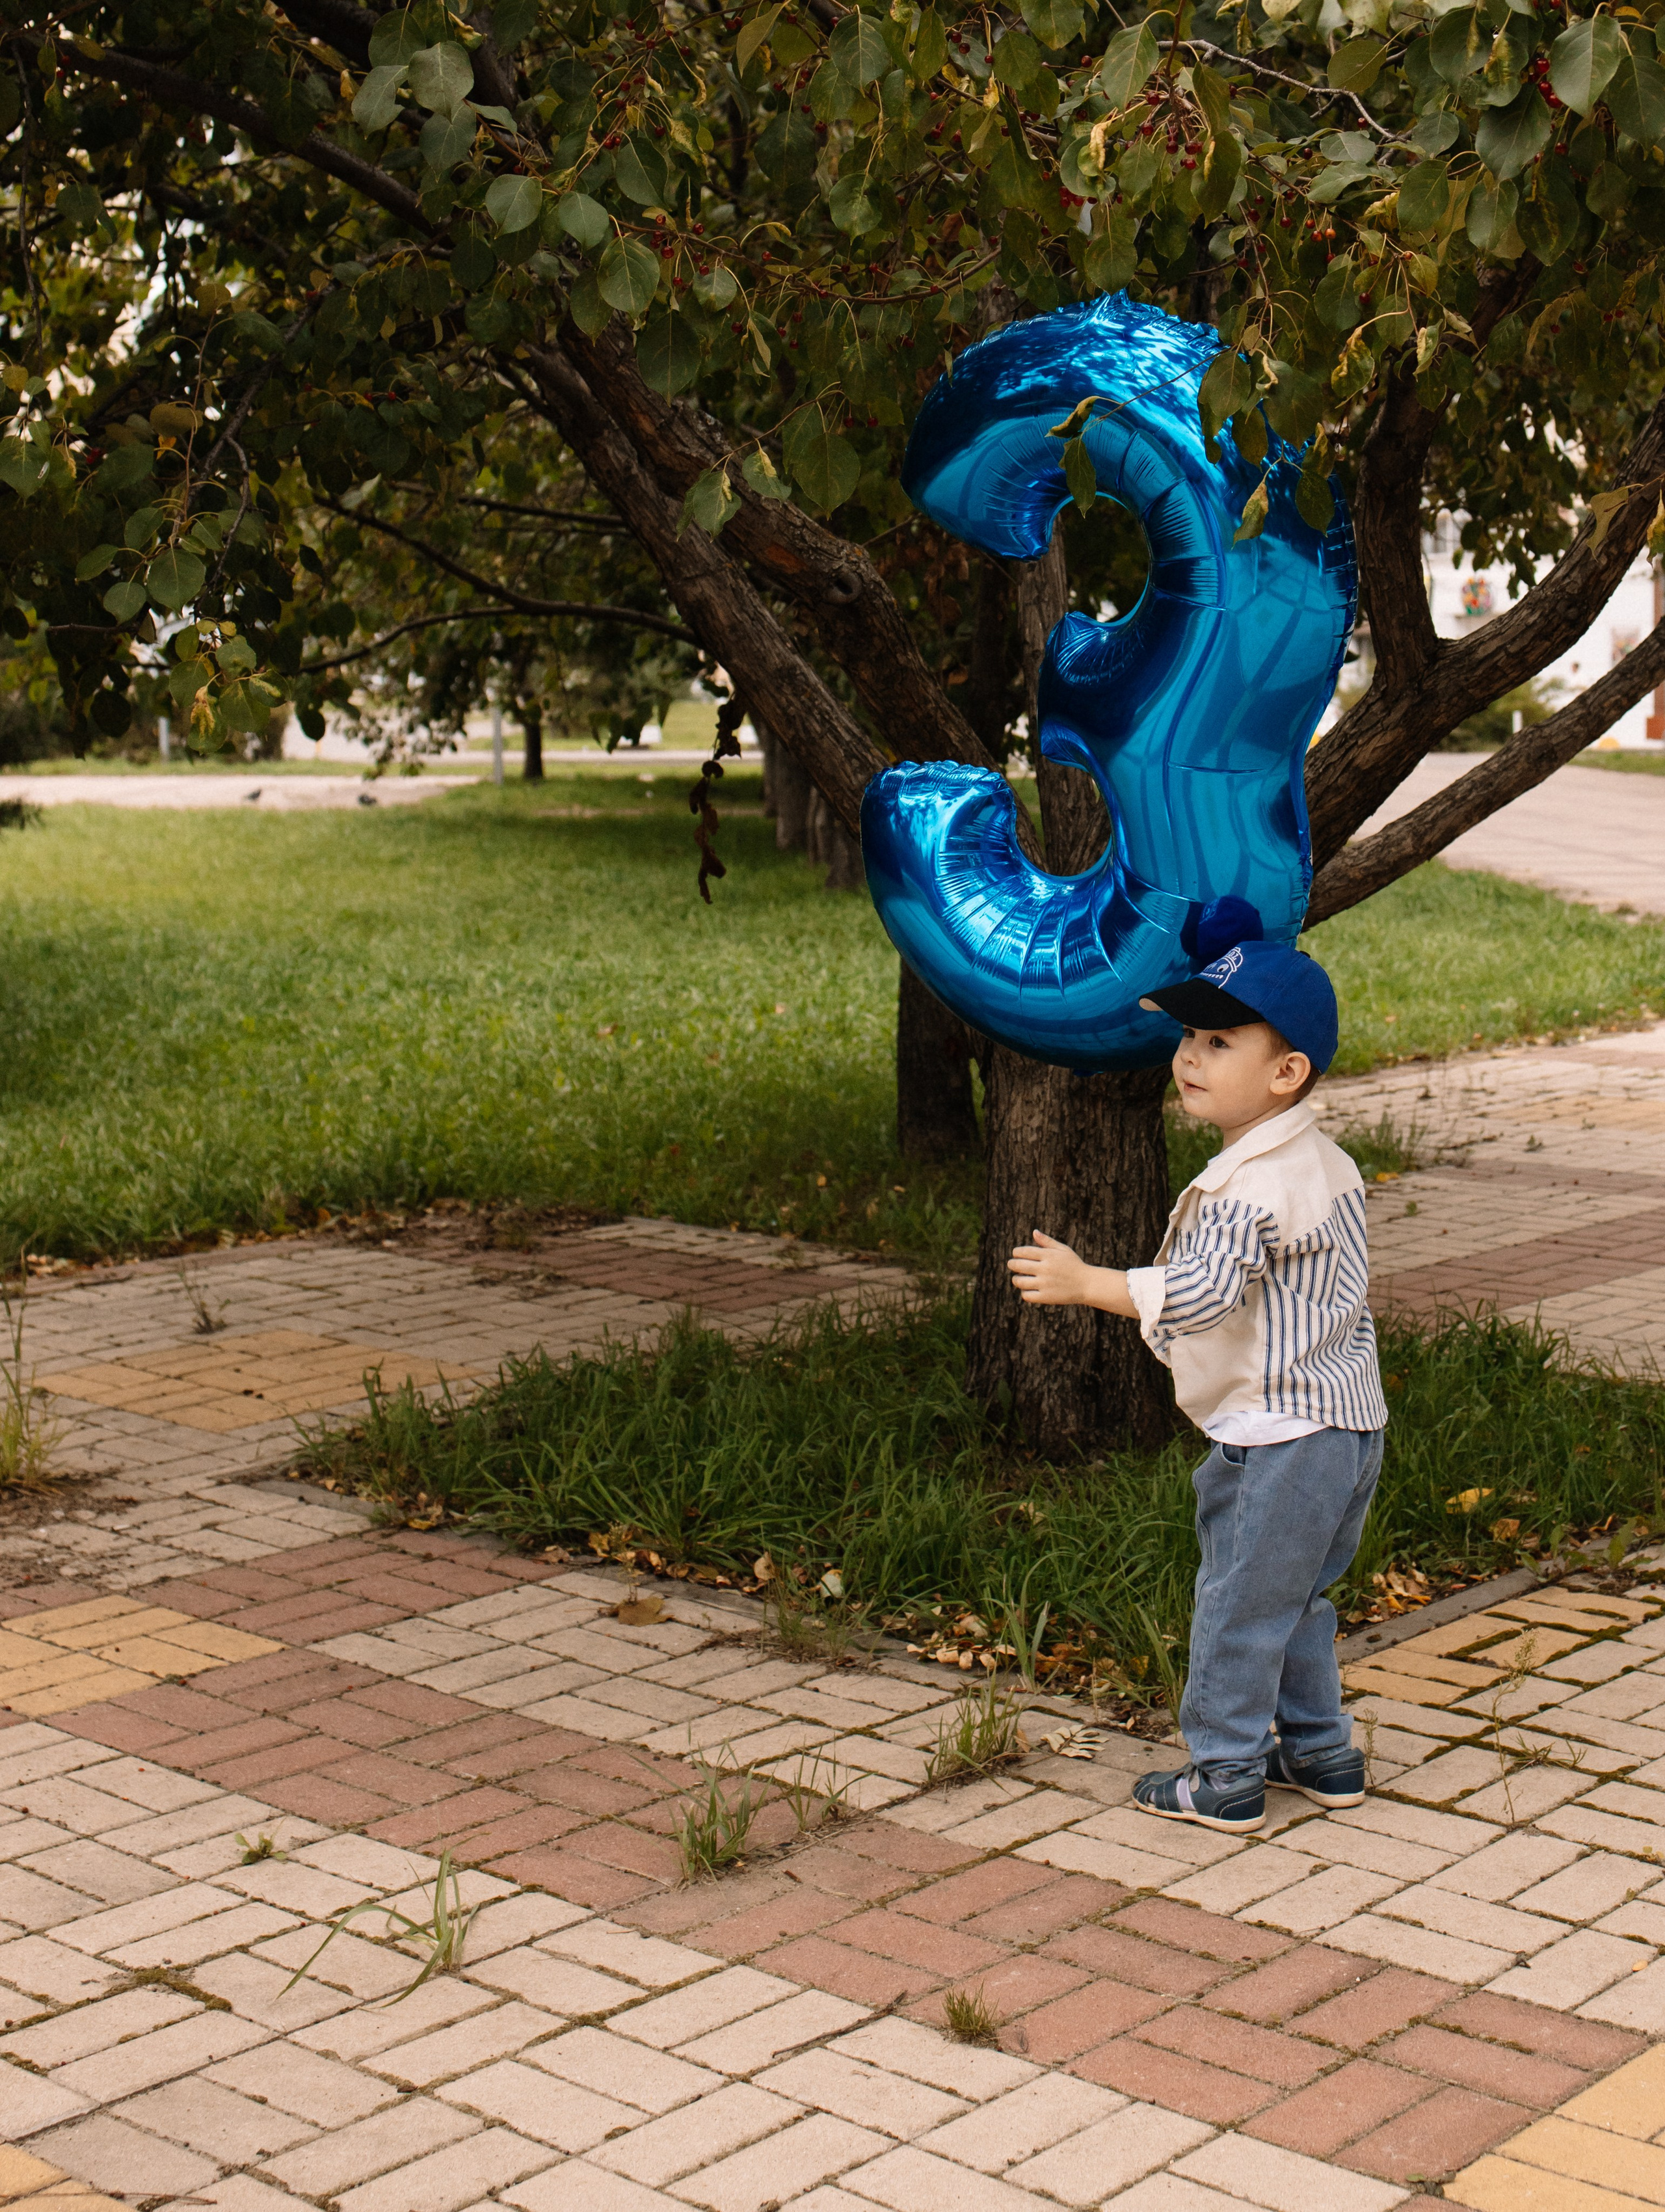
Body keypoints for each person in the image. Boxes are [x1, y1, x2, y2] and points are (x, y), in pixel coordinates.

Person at [1007, 941, 1387, 1834]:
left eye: (1219, 1042)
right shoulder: (1326, 1165)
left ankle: (1223, 1771)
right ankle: (1320, 1749)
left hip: (1283, 1439)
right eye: (1187, 1035)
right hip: (1347, 1428)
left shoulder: (1249, 1187)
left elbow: (1207, 1294)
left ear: (1287, 1070)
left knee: (1237, 1601)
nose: (1188, 1056)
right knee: (1296, 1596)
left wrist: (1091, 1281)